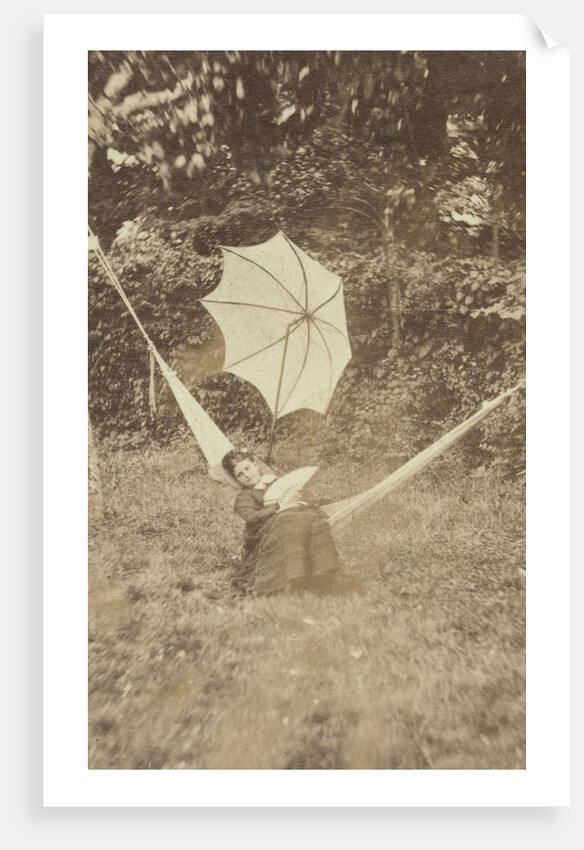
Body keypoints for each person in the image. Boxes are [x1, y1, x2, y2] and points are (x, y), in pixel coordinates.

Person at [222, 449, 343, 596]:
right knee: (287, 519)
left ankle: (325, 575)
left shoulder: (278, 482)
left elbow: (309, 498)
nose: (246, 475)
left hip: (300, 519)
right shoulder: (244, 496)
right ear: (236, 479)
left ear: (255, 464)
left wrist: (299, 500)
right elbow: (252, 517)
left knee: (314, 519)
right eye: (240, 474)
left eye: (247, 468)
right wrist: (281, 506)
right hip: (265, 533)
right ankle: (294, 580)